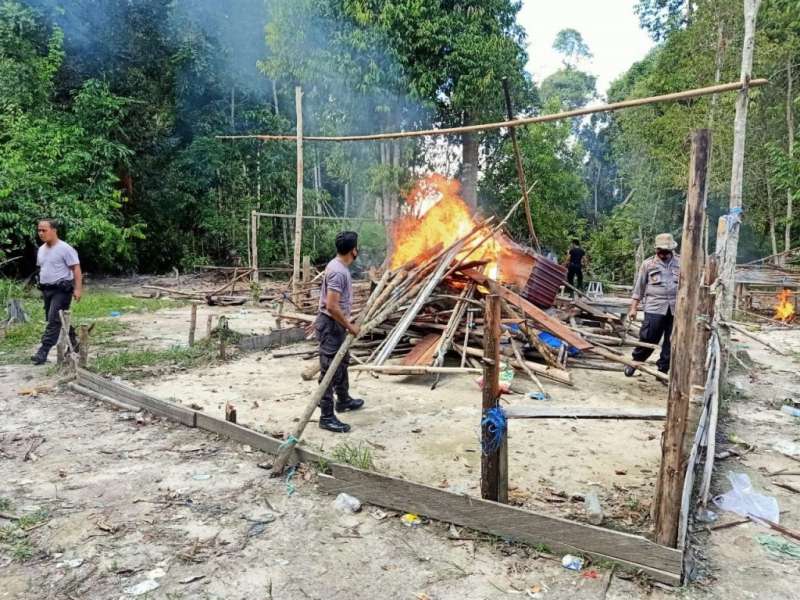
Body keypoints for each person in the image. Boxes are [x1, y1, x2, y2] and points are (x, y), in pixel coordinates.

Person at [314, 231, 365, 433]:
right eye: (357, 247)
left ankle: (343, 399)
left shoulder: (339, 267)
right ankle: (326, 416)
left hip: (337, 323)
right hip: (331, 324)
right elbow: (331, 306)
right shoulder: (338, 271)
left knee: (342, 361)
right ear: (353, 250)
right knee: (329, 370)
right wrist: (350, 326)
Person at [625, 233, 680, 379]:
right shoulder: (648, 264)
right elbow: (639, 288)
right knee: (648, 337)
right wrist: (633, 308)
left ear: (671, 250)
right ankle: (635, 363)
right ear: (656, 250)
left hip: (676, 309)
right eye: (660, 251)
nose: (662, 254)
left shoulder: (681, 263)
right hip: (654, 308)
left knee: (671, 341)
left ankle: (662, 371)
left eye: (665, 251)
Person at [32, 219, 82, 365]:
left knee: (54, 320)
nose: (41, 233)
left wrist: (78, 288)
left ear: (54, 230)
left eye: (44, 230)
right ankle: (74, 340)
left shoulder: (65, 248)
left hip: (62, 290)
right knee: (57, 319)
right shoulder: (41, 249)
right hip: (47, 290)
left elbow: (76, 269)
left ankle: (43, 351)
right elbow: (43, 268)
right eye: (39, 230)